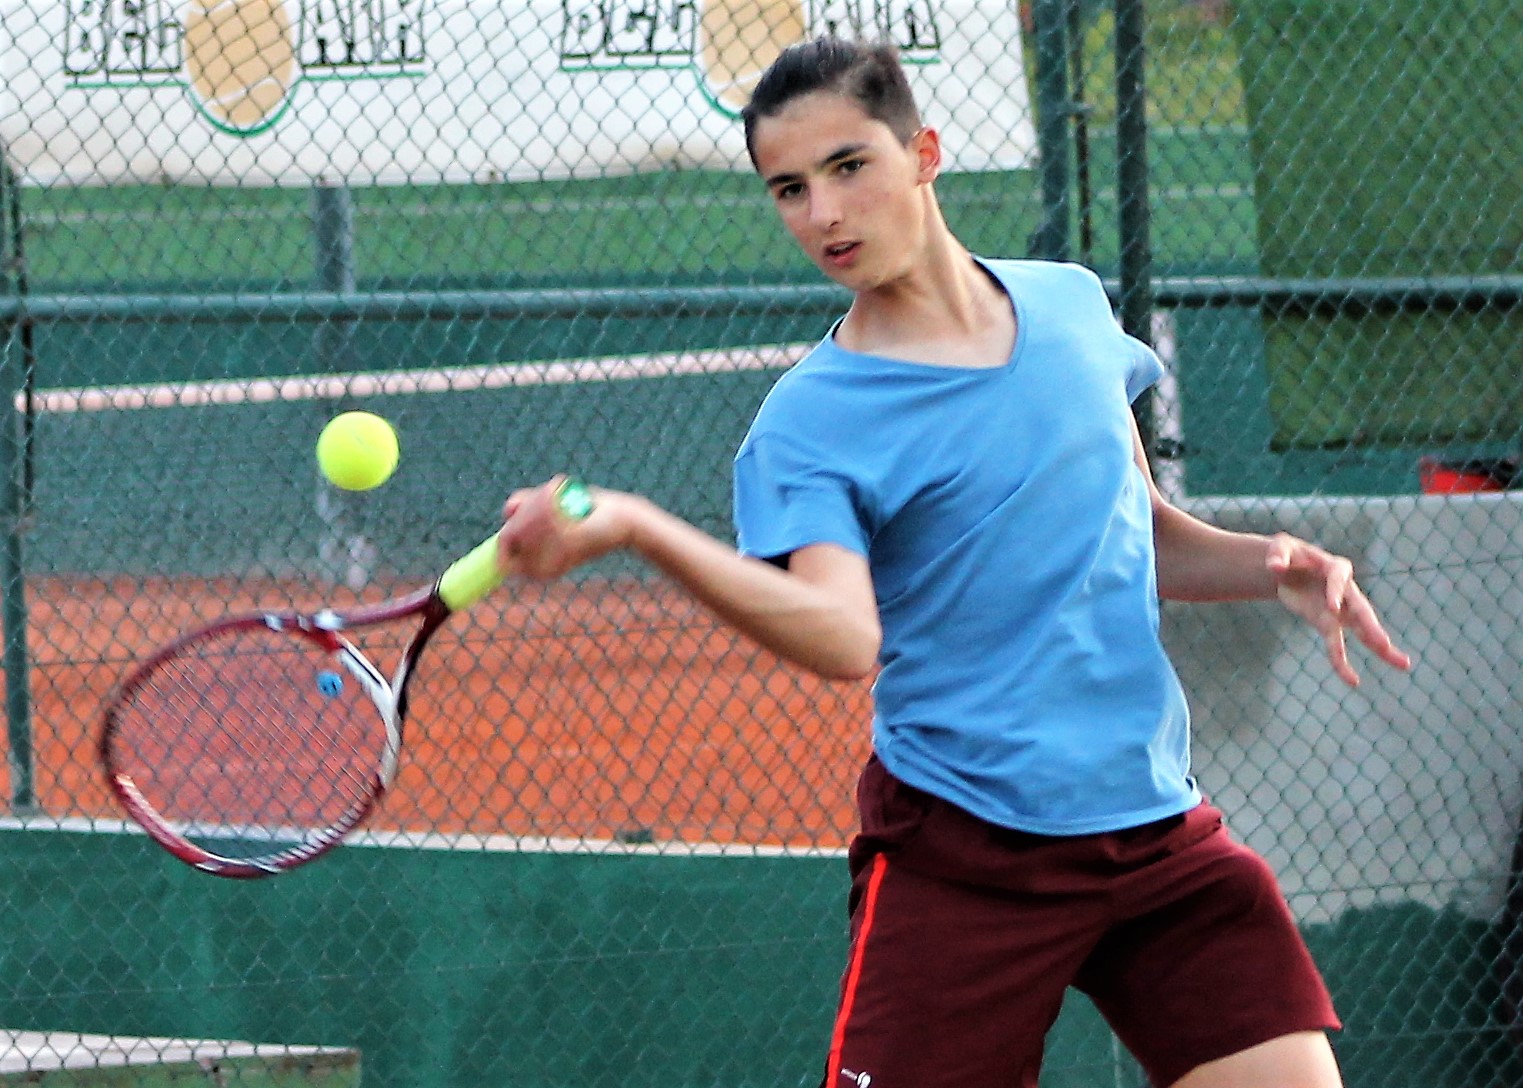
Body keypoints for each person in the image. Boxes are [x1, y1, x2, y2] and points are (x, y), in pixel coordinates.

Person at [496, 36, 1412, 1088]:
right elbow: (844, 637)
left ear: (922, 152)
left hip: (1152, 828)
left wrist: (1268, 562)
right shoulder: (809, 423)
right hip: (962, 852)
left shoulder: (1069, 305)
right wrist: (638, 526)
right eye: (787, 189)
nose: (823, 215)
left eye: (847, 168)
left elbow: (1135, 529)